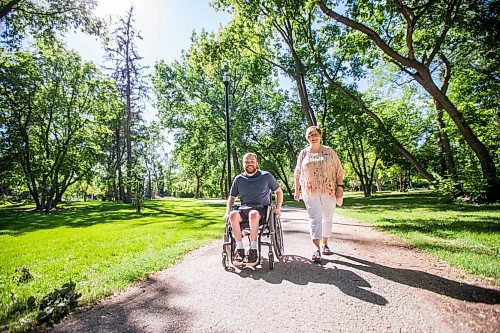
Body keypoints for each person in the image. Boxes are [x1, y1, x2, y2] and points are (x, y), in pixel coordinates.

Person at [294, 126, 344, 262]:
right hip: (310, 191)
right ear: (307, 137)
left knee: (327, 217)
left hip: (329, 190)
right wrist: (296, 189)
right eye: (310, 135)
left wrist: (340, 186)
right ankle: (316, 249)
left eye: (315, 134)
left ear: (320, 136)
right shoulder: (303, 153)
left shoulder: (329, 152)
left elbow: (339, 170)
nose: (313, 137)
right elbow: (297, 172)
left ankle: (325, 244)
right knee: (314, 218)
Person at [224, 152, 283, 266]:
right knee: (233, 215)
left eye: (252, 161)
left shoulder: (266, 176)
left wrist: (278, 208)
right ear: (243, 164)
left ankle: (253, 250)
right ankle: (240, 250)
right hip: (244, 209)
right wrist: (227, 212)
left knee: (253, 214)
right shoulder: (239, 179)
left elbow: (279, 192)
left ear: (257, 163)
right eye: (246, 162)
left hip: (260, 210)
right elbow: (231, 198)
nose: (249, 164)